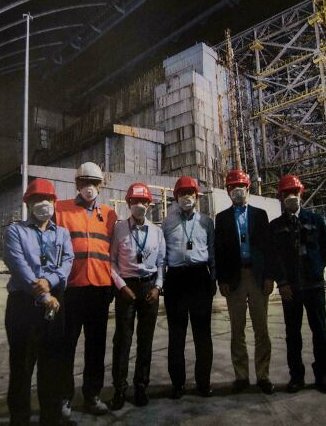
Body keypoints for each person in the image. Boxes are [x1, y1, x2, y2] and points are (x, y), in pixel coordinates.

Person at [3, 178, 74, 426]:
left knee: (52, 365)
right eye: (37, 199)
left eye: (48, 199)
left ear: (55, 203)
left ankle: (51, 418)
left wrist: (51, 281)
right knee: (22, 367)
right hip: (24, 304)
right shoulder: (15, 231)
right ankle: (20, 419)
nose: (43, 203)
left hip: (55, 302)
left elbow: (67, 262)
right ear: (28, 203)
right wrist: (43, 294)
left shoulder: (62, 233)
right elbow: (19, 267)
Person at [55, 162, 118, 417]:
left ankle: (92, 395)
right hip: (71, 288)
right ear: (77, 185)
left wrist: (114, 285)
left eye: (94, 183)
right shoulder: (61, 210)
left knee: (96, 346)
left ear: (100, 186)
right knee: (66, 345)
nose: (89, 188)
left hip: (100, 289)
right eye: (84, 183)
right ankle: (63, 397)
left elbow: (115, 252)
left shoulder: (110, 214)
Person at [267, 174, 326, 394]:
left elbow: (325, 250)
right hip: (291, 289)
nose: (291, 197)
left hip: (314, 286)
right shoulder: (275, 226)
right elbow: (274, 257)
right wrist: (283, 282)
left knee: (320, 333)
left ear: (300, 194)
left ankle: (322, 375)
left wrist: (315, 271)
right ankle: (296, 377)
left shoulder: (316, 221)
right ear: (281, 197)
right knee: (292, 335)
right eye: (286, 194)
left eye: (294, 193)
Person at [215, 169, 274, 395]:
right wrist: (222, 280)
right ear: (228, 191)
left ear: (248, 188)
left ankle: (263, 375)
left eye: (241, 186)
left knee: (262, 329)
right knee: (237, 330)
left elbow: (268, 248)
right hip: (235, 279)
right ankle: (241, 376)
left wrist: (269, 276)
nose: (237, 191)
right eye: (233, 187)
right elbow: (219, 252)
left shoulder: (260, 215)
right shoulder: (222, 218)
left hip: (257, 277)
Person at [108, 183, 166, 410]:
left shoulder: (157, 231)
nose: (139, 206)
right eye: (135, 202)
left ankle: (141, 386)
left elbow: (162, 263)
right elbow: (111, 261)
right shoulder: (119, 229)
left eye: (143, 202)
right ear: (128, 203)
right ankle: (119, 389)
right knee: (122, 340)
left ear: (149, 204)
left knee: (145, 340)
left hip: (150, 289)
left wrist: (158, 287)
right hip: (126, 289)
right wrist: (121, 286)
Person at [162, 176, 216, 399]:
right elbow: (161, 255)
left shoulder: (206, 222)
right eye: (182, 193)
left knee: (202, 334)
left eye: (190, 193)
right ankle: (178, 384)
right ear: (176, 197)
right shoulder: (167, 223)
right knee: (176, 335)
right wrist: (162, 281)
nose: (187, 197)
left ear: (197, 196)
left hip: (199, 277)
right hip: (175, 279)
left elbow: (212, 251)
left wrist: (213, 278)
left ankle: (203, 382)